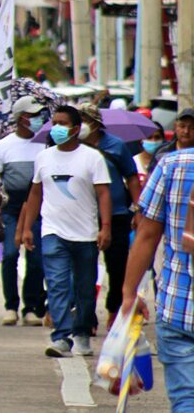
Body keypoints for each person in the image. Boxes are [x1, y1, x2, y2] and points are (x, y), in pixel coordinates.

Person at [21, 105, 111, 358]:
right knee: (58, 286)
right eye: (54, 123)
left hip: (85, 234)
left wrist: (105, 228)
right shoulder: (44, 157)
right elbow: (35, 192)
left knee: (84, 287)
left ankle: (82, 332)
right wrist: (27, 227)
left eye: (62, 123)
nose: (57, 128)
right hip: (53, 231)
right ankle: (61, 337)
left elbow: (103, 193)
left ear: (75, 128)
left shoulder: (92, 157)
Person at [120, 107, 194, 411]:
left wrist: (129, 293)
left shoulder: (171, 165)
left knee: (186, 399)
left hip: (179, 303)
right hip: (177, 305)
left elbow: (147, 235)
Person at [78, 102, 141, 329]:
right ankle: (87, 316)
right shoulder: (73, 147)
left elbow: (132, 178)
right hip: (84, 216)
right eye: (80, 119)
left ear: (96, 123)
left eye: (86, 119)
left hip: (116, 215)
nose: (83, 124)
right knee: (85, 267)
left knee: (117, 267)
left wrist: (138, 209)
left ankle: (114, 308)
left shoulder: (115, 146)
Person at [0, 96, 48, 327]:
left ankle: (32, 306)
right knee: (10, 255)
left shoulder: (45, 144)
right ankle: (10, 306)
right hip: (11, 208)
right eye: (32, 115)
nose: (37, 119)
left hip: (38, 207)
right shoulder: (4, 146)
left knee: (36, 258)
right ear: (20, 118)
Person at [133, 120, 166, 187]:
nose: (153, 141)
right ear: (141, 140)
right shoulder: (133, 161)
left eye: (157, 137)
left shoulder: (167, 161)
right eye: (149, 137)